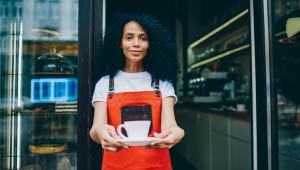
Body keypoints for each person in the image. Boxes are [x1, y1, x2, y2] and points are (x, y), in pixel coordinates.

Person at [89, 13, 185, 170]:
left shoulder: (162, 84)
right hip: (115, 166)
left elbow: (170, 126)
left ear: (151, 43)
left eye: (143, 38)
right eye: (129, 37)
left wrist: (178, 132)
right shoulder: (105, 83)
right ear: (119, 43)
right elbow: (96, 129)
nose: (136, 43)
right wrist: (100, 132)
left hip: (156, 166)